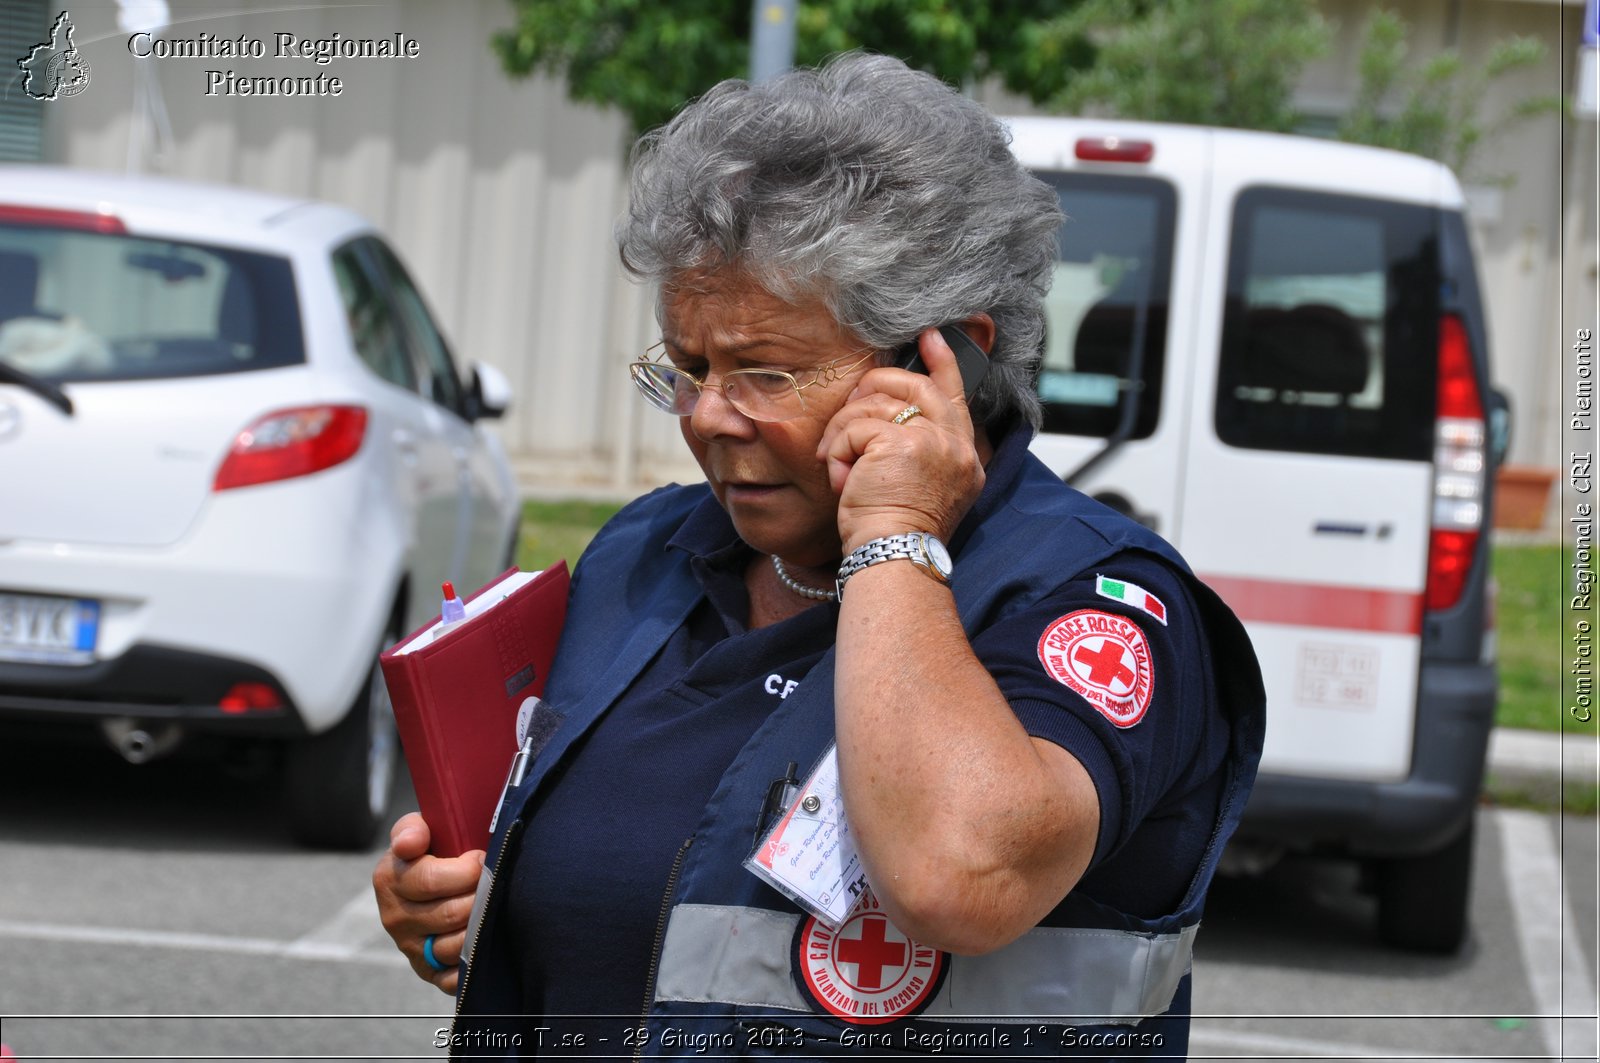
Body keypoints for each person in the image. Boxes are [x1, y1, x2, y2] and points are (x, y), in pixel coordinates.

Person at [375, 52, 1264, 1060]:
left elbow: (959, 878)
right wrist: (472, 905)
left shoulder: (1090, 598)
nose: (709, 417)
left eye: (767, 372)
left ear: (952, 362)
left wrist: (892, 534)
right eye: (689, 367)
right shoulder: (646, 552)